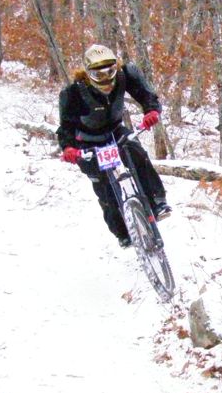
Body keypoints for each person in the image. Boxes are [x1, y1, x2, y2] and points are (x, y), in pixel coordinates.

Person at [56, 43, 171, 248]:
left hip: (115, 131)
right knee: (104, 187)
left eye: (110, 71)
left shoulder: (124, 76)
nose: (106, 79)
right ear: (87, 73)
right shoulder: (73, 93)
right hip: (87, 142)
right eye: (98, 75)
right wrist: (68, 148)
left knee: (138, 155)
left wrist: (151, 111)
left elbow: (146, 94)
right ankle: (122, 233)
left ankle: (157, 201)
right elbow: (65, 127)